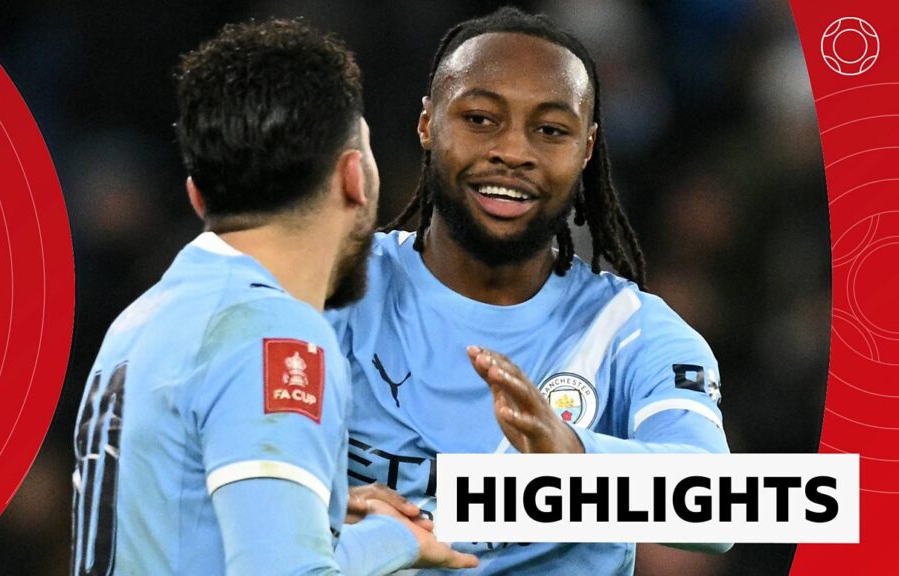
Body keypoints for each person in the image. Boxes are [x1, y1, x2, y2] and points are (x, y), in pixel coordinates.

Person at [329, 7, 730, 574]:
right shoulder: (335, 285)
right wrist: (314, 505)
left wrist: (571, 455)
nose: (514, 152)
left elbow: (720, 511)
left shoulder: (631, 332)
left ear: (586, 149)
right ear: (428, 124)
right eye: (480, 119)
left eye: (551, 130)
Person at [70, 19, 477, 575]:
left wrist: (316, 515)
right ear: (354, 177)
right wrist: (394, 539)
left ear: (197, 196)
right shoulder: (273, 334)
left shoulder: (139, 323)